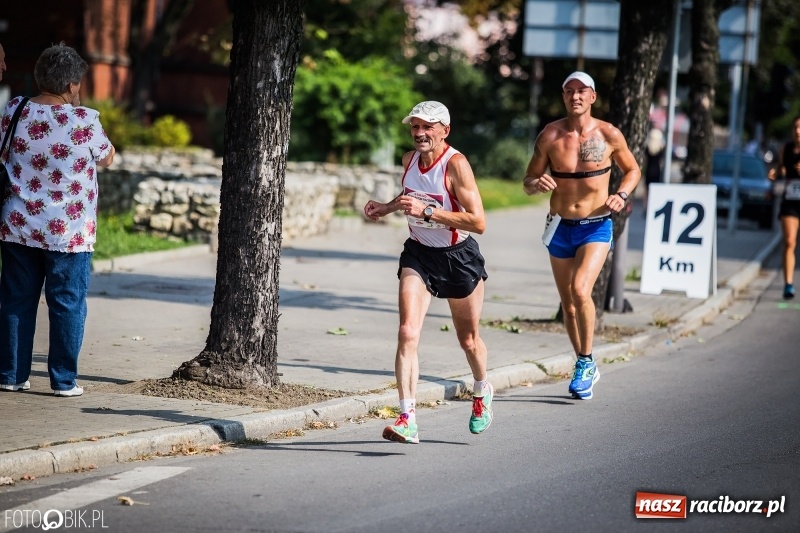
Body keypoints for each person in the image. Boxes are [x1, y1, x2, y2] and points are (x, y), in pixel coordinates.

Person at [363, 100, 492, 444]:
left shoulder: (456, 165)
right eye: (415, 127)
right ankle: (408, 418)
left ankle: (481, 390)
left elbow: (478, 222)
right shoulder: (409, 160)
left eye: (427, 127)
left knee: (468, 340)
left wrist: (431, 212)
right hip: (419, 254)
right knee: (407, 332)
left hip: (458, 257)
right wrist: (385, 207)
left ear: (445, 131)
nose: (419, 134)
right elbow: (409, 198)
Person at [0, 43, 115, 396]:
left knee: (16, 299)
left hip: (18, 224)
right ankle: (63, 381)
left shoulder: (14, 110)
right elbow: (108, 157)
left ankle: (11, 375)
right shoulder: (85, 120)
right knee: (66, 302)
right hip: (69, 232)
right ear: (71, 85)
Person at [522, 71, 640, 400]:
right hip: (559, 226)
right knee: (569, 305)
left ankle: (587, 362)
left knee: (579, 289)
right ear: (563, 97)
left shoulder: (608, 134)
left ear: (592, 97)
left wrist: (623, 195)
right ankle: (582, 363)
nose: (575, 96)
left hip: (596, 224)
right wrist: (537, 184)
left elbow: (633, 170)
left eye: (581, 91)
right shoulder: (550, 135)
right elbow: (528, 180)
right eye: (569, 91)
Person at [767, 115, 800, 300]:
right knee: (789, 241)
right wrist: (775, 173)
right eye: (795, 127)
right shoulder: (785, 149)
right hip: (791, 202)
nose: (798, 131)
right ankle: (788, 284)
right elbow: (781, 169)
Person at [640, 127, 665, 213]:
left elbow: (645, 160)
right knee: (654, 191)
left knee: (646, 191)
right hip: (657, 171)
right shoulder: (661, 148)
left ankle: (645, 208)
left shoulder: (647, 148)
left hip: (649, 171)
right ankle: (652, 207)